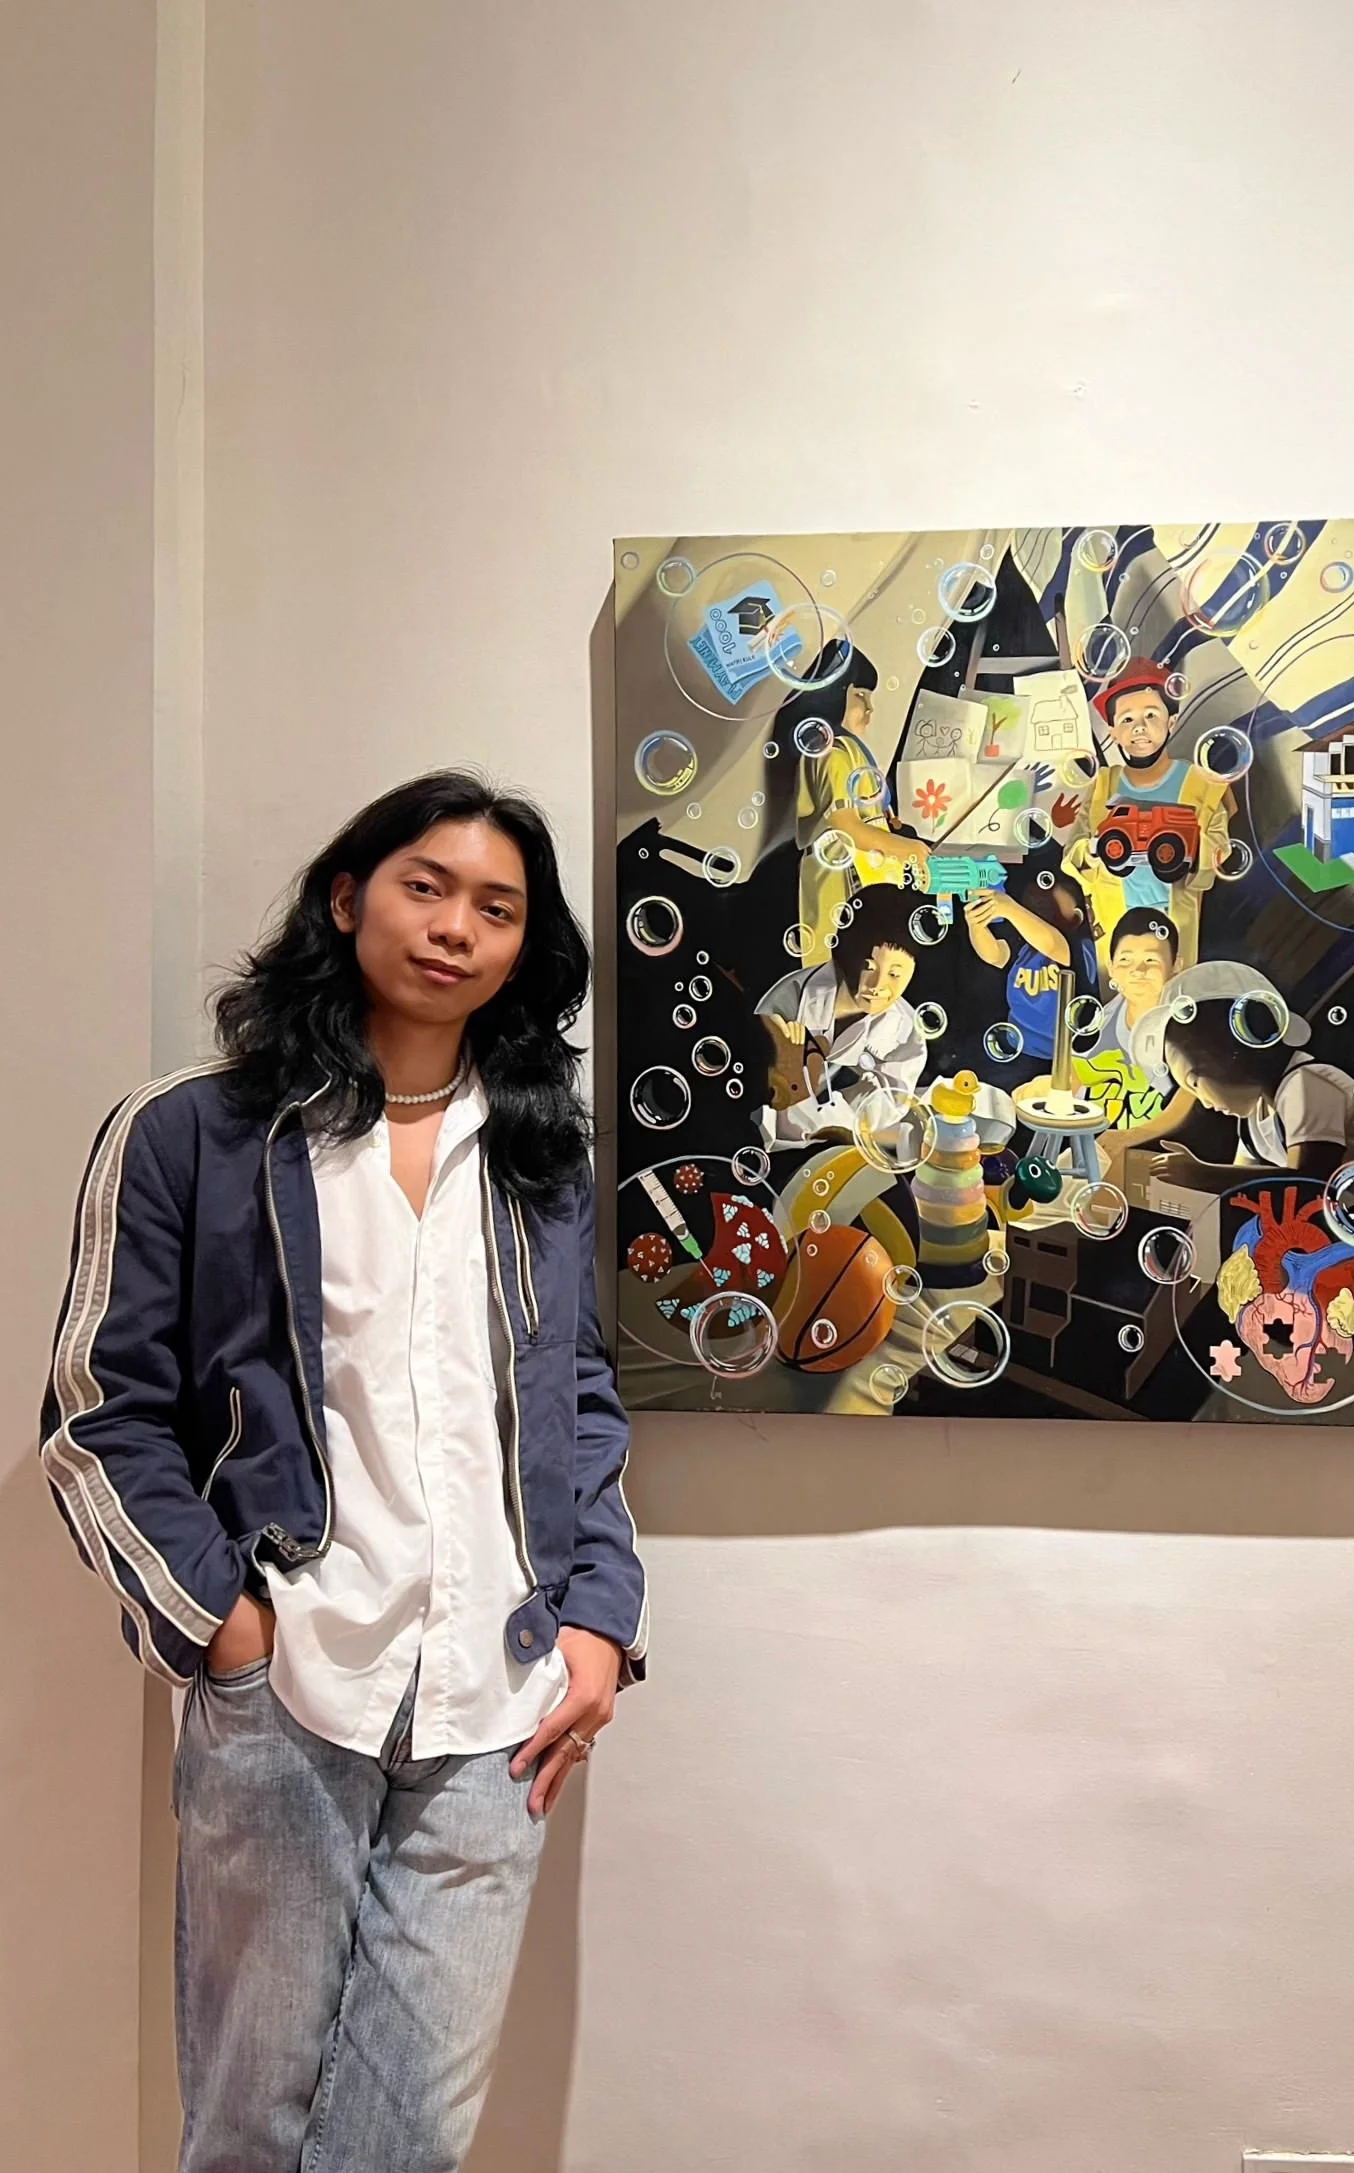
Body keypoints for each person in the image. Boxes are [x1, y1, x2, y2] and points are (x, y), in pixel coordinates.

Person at [38, 771, 646, 2173]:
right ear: (345, 896)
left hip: (497, 1705)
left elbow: (580, 1397)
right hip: (289, 1686)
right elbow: (98, 1410)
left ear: (524, 946)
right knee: (251, 2123)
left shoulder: (540, 1155)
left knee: (410, 2134)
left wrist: (601, 1620)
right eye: (425, 886)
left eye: (497, 908)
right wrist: (221, 1625)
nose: (455, 928)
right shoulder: (191, 1133)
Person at [1129, 959, 1354, 1190]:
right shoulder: (1254, 1116)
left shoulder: (1308, 1084)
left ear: (1231, 1052)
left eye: (1195, 1082)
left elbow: (1309, 1182)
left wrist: (1203, 1174)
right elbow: (1242, 1185)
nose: (1203, 1102)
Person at [1063, 655, 1231, 968]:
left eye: (1151, 715)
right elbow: (1072, 856)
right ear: (1113, 731)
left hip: (1176, 926)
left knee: (1174, 993)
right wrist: (1094, 850)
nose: (1139, 727)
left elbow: (1220, 852)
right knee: (1122, 995)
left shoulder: (1200, 783)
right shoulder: (1103, 785)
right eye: (1126, 719)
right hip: (1115, 927)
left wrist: (1192, 850)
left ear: (1171, 722)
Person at [754, 882, 926, 1140]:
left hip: (836, 1138)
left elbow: (889, 1102)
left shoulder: (906, 1029)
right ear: (844, 956)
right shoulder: (789, 1002)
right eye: (868, 966)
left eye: (894, 974)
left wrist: (833, 1117)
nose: (877, 986)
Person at [794, 678, 929, 963]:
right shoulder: (832, 753)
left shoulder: (850, 752)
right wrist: (906, 848)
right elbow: (844, 825)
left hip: (865, 882)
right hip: (840, 878)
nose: (869, 707)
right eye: (859, 695)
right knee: (837, 964)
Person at [962, 865, 1098, 1090]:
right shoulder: (1025, 946)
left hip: (1062, 1059)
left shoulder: (1080, 945)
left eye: (1053, 898)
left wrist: (1009, 908)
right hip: (1018, 1048)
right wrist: (976, 925)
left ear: (1077, 917)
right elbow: (995, 955)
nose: (1042, 899)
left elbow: (1053, 944)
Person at [1079, 908, 1200, 1159]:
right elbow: (1075, 1080)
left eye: (1151, 960)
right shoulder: (1100, 1022)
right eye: (1125, 960)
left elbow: (1190, 1096)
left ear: (1176, 966)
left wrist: (1131, 1136)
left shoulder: (1189, 1025)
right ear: (1111, 967)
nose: (1138, 971)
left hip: (1168, 1152)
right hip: (1102, 1148)